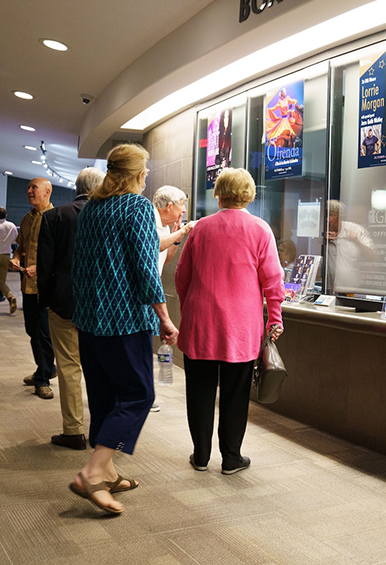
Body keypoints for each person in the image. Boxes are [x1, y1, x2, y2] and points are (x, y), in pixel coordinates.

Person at [68, 143, 178, 515]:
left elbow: (81, 264)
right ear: (137, 174)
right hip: (124, 320)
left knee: (104, 398)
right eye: (145, 170)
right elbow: (147, 269)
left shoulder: (92, 209)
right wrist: (164, 317)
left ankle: (109, 471)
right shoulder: (137, 207)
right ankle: (93, 472)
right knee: (137, 396)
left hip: (89, 320)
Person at [175, 168, 284, 475]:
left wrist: (189, 312)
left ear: (218, 193)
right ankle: (231, 458)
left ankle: (200, 455)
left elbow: (182, 277)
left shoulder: (200, 229)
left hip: (200, 321)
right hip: (241, 325)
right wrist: (274, 319)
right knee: (235, 393)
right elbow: (273, 282)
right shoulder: (260, 230)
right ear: (249, 194)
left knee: (199, 390)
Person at [37, 166, 105, 449]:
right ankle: (103, 431)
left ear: (77, 186)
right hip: (103, 306)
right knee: (101, 369)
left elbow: (45, 265)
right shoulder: (109, 215)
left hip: (65, 303)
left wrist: (46, 301)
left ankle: (74, 431)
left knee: (68, 367)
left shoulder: (54, 216)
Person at [150, 185, 195, 413]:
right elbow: (152, 247)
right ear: (169, 206)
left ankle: (143, 395)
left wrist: (175, 238)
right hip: (142, 295)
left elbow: (164, 259)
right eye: (182, 205)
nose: (184, 210)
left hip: (151, 291)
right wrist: (183, 231)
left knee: (145, 345)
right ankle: (139, 396)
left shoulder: (166, 227)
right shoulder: (148, 218)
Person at [11, 178, 56, 400]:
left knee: (43, 333)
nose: (29, 191)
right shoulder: (27, 219)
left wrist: (38, 267)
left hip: (47, 286)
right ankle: (45, 368)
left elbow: (62, 255)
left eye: (34, 188)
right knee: (32, 331)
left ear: (47, 191)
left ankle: (43, 379)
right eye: (28, 187)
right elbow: (22, 246)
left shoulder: (57, 218)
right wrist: (16, 258)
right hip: (27, 286)